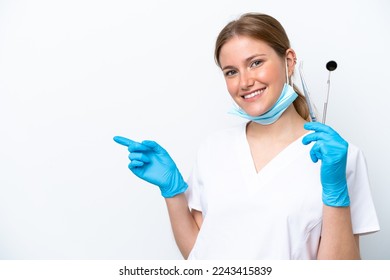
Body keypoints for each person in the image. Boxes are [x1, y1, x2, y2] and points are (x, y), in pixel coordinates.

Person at [113, 13, 380, 259]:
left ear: (289, 61)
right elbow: (199, 253)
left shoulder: (338, 157)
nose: (244, 82)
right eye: (231, 72)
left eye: (255, 63)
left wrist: (335, 189)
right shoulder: (214, 148)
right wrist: (173, 194)